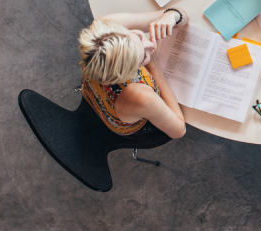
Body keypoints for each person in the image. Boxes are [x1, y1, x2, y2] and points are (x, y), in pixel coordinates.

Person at [78, 8, 188, 138]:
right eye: (143, 57)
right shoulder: (141, 96)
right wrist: (153, 65)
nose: (151, 45)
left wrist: (172, 16)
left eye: (139, 36)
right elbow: (179, 130)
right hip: (125, 119)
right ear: (129, 74)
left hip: (93, 90)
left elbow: (183, 16)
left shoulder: (105, 28)